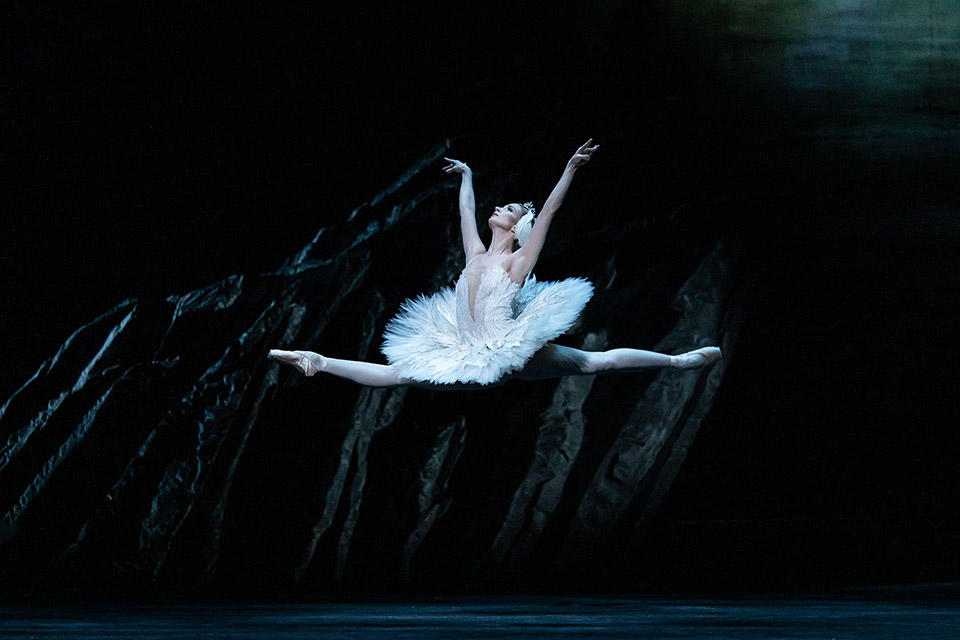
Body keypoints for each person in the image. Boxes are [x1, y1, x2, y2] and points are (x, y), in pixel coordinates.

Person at [269, 139, 721, 390]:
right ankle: (318, 360)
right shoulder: (477, 254)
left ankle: (676, 361)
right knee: (395, 376)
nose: (499, 208)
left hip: (507, 352)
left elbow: (547, 214)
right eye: (501, 205)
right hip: (460, 348)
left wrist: (569, 170)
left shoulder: (517, 262)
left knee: (594, 363)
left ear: (517, 225)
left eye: (508, 208)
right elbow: (466, 212)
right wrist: (467, 175)